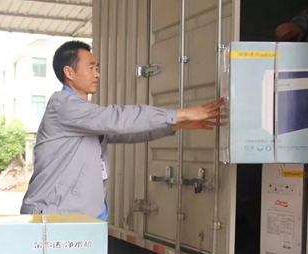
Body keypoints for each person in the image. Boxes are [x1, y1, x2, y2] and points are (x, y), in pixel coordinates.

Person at [20, 41, 223, 219]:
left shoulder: (84, 114)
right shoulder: (64, 105)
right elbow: (117, 119)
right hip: (54, 215)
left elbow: (127, 131)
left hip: (78, 216)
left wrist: (176, 124)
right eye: (90, 67)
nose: (97, 74)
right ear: (69, 72)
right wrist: (180, 114)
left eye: (97, 68)